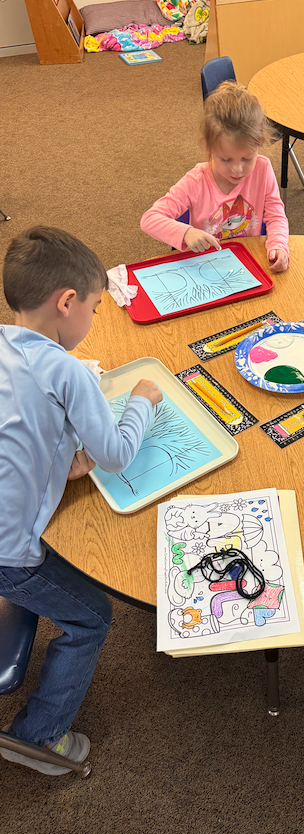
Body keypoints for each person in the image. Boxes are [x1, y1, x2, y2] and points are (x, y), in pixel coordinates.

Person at [0, 226, 162, 775]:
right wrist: (141, 401)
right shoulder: (66, 370)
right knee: (93, 616)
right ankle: (38, 739)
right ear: (66, 302)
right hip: (9, 555)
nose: (92, 319)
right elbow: (115, 455)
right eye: (94, 308)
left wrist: (53, 462)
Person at [140, 80, 290, 273]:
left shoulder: (263, 169)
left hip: (246, 263)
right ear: (208, 147)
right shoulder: (196, 181)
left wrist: (278, 245)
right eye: (226, 160)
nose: (237, 169)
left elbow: (276, 216)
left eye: (247, 158)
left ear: (259, 144)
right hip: (207, 267)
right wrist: (186, 233)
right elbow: (149, 219)